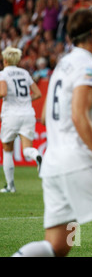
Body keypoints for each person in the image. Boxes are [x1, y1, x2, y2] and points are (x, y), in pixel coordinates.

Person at [13, 9, 92, 257]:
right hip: (78, 161)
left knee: (58, 244)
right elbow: (78, 114)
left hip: (53, 164)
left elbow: (48, 116)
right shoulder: (87, 66)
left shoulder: (62, 65)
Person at [0, 46, 42, 193]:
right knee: (27, 149)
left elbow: (3, 92)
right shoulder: (24, 73)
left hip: (11, 114)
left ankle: (10, 186)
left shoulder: (3, 74)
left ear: (4, 60)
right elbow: (37, 93)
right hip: (28, 114)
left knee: (7, 149)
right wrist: (24, 99)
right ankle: (37, 155)